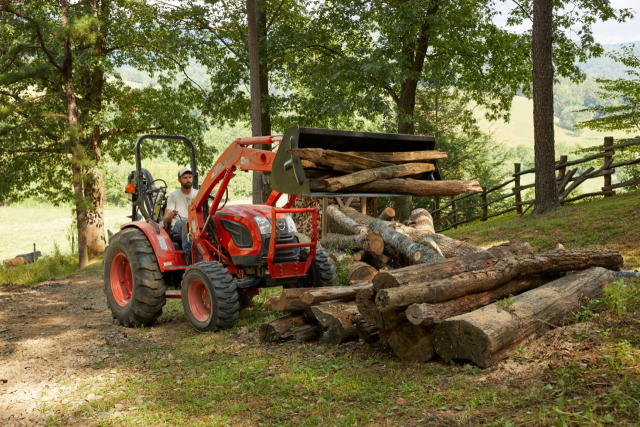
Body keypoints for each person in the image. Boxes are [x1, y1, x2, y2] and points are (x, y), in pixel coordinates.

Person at [164, 168, 198, 262]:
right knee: (185, 223)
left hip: (195, 223)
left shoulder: (198, 193)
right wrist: (170, 215)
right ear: (179, 180)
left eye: (190, 177)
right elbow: (167, 218)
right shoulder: (173, 196)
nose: (188, 180)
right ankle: (189, 255)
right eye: (185, 177)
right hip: (178, 225)